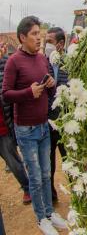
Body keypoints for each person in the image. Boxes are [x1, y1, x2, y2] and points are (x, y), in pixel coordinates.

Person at [1, 16, 67, 235]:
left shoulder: (41, 59)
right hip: (26, 129)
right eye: (35, 35)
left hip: (43, 126)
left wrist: (50, 84)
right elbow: (7, 95)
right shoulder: (14, 61)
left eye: (40, 34)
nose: (39, 39)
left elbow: (48, 91)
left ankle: (50, 213)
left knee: (47, 174)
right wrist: (28, 92)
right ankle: (41, 219)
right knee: (36, 177)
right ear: (22, 37)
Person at [0, 42, 31, 205]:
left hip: (2, 129)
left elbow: (6, 96)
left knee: (14, 163)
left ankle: (27, 188)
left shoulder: (6, 64)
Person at [44, 27, 68, 203]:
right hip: (47, 122)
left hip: (67, 123)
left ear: (60, 44)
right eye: (45, 42)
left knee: (70, 160)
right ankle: (51, 196)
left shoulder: (71, 62)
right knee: (48, 163)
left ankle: (78, 194)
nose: (46, 45)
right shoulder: (41, 62)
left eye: (50, 42)